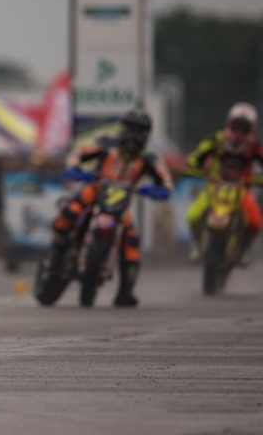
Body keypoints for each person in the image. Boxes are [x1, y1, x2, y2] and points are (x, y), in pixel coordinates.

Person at [48, 110, 173, 307]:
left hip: (120, 205)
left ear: (147, 134)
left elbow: (166, 182)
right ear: (122, 128)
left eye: (140, 130)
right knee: (71, 209)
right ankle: (57, 250)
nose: (133, 134)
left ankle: (126, 291)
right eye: (130, 128)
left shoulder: (150, 159)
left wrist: (157, 190)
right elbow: (77, 154)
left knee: (131, 237)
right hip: (95, 191)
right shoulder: (105, 145)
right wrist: (75, 169)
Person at [185, 102, 263, 264]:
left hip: (241, 188)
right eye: (236, 126)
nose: (239, 132)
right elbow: (195, 157)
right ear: (229, 123)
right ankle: (198, 246)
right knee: (192, 216)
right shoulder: (216, 140)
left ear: (252, 128)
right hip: (215, 185)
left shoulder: (254, 146)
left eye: (244, 127)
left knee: (255, 222)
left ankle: (243, 251)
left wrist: (256, 180)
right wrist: (196, 168)